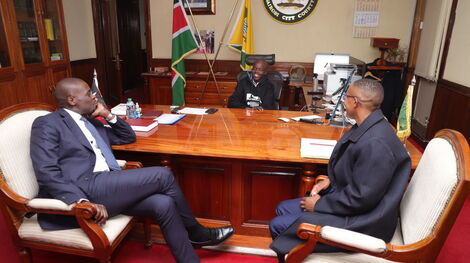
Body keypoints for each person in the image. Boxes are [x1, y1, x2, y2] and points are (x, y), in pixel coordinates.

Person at [30, 78, 234, 263]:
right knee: (162, 174)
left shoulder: (90, 122)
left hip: (108, 183)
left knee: (163, 203)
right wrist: (81, 201)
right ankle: (196, 232)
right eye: (88, 93)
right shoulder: (48, 123)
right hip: (84, 187)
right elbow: (46, 171)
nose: (94, 96)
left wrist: (107, 115)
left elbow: (127, 137)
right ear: (72, 100)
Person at [269, 79, 411, 261]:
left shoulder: (376, 143)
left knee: (277, 225)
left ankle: (294, 257)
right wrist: (331, 179)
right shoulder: (368, 124)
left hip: (366, 220)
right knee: (283, 208)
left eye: (346, 96)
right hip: (351, 202)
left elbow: (361, 198)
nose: (344, 101)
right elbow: (359, 171)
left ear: (355, 102)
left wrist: (318, 205)